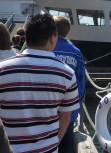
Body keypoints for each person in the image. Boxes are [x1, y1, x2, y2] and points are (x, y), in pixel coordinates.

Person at [0, 14, 79, 153]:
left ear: (28, 37)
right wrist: (53, 144)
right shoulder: (67, 74)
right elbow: (65, 118)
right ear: (52, 39)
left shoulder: (3, 69)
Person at [53, 16, 86, 153]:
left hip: (46, 111)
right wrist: (76, 105)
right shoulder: (76, 52)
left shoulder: (47, 48)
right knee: (66, 146)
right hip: (69, 112)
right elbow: (81, 82)